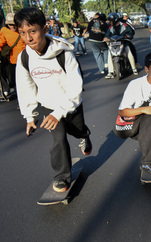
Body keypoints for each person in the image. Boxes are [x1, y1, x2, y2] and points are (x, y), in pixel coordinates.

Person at [15, 7, 92, 193]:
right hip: (49, 107)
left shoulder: (63, 53)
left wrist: (61, 112)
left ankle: (84, 136)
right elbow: (25, 89)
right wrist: (30, 116)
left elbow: (76, 88)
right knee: (58, 139)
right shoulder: (24, 58)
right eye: (23, 33)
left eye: (32, 31)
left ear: (44, 28)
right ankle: (61, 176)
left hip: (70, 104)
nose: (28, 38)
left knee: (78, 130)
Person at [104, 13, 138, 78]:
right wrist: (106, 38)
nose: (110, 22)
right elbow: (107, 35)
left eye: (111, 21)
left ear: (115, 20)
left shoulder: (125, 25)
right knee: (109, 54)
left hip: (124, 43)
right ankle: (110, 72)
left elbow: (130, 33)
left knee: (129, 53)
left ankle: (134, 69)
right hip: (113, 44)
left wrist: (128, 36)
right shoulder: (110, 27)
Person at [0, 13, 26, 96]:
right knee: (16, 82)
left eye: (14, 24)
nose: (13, 26)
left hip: (26, 59)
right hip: (14, 61)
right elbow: (0, 43)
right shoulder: (4, 31)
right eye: (10, 24)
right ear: (7, 24)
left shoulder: (23, 29)